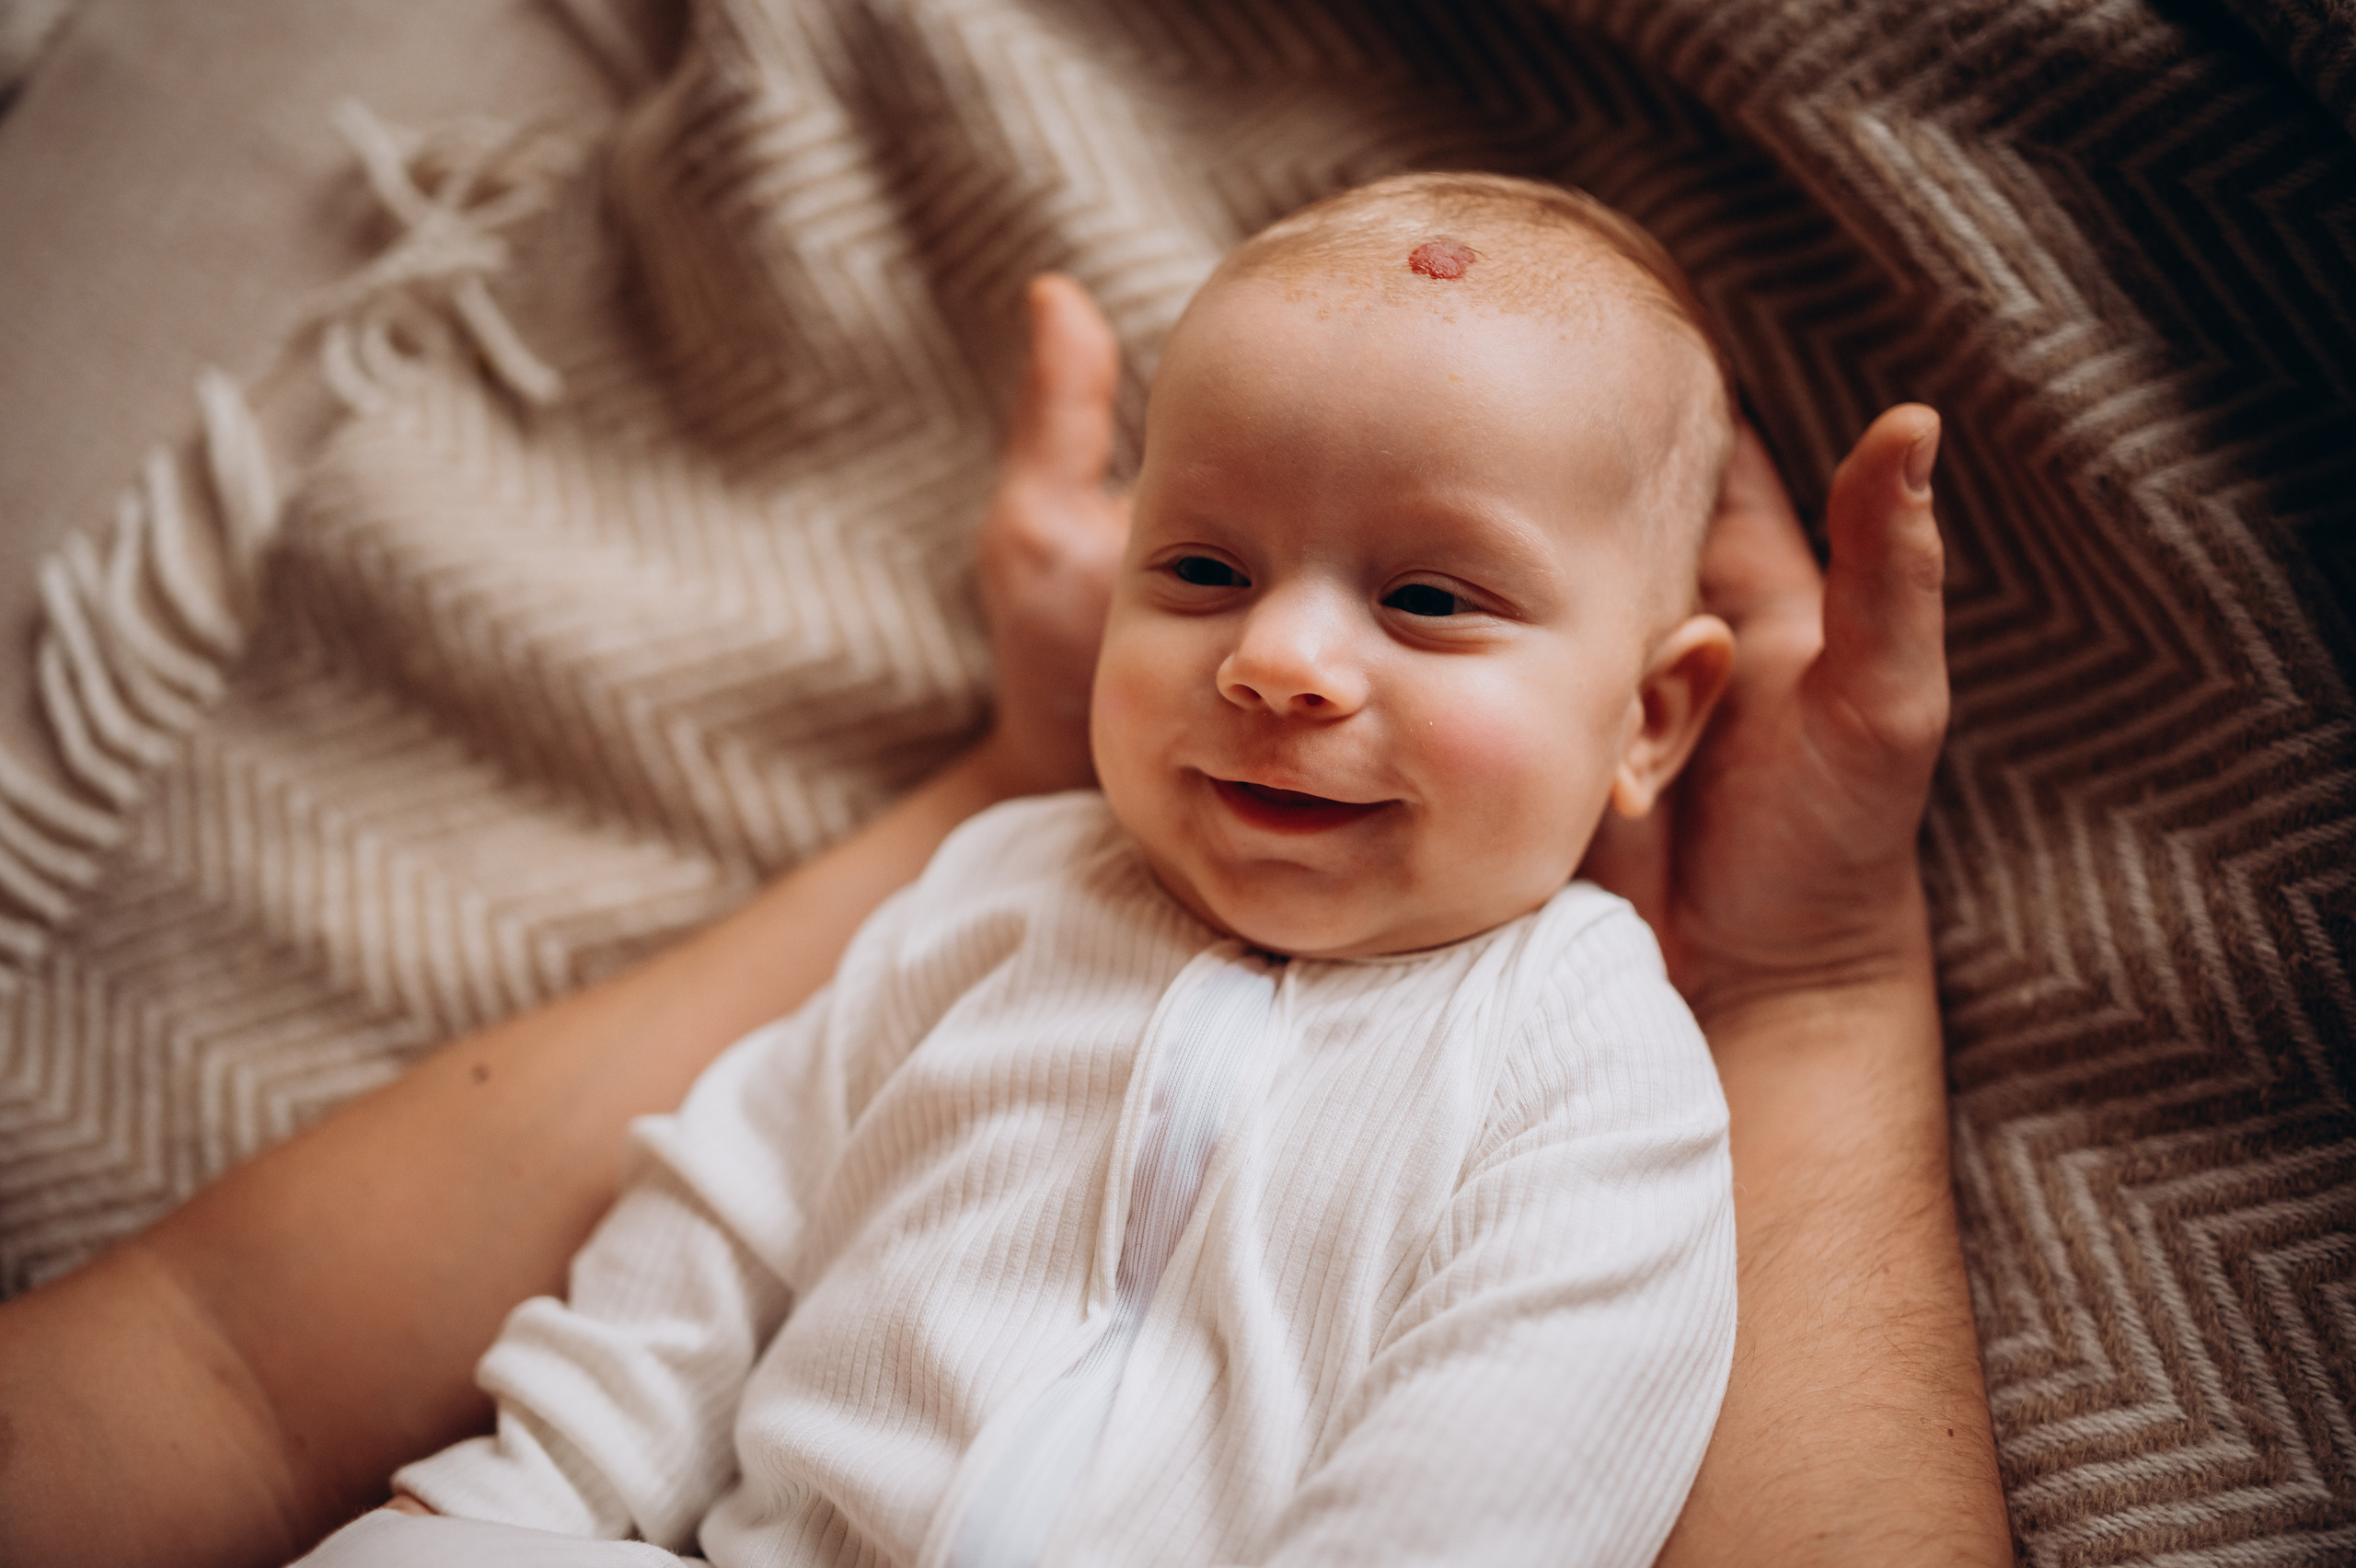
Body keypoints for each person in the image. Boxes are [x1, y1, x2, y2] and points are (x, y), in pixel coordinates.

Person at [0, 190, 2015, 1568]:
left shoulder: (1595, 1055)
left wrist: (1809, 979)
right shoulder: (1004, 888)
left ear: (1650, 720)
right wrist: (533, 1490)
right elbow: (736, 1205)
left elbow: (1510, 1466)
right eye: (1202, 567)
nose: (1274, 659)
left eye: (1422, 596)